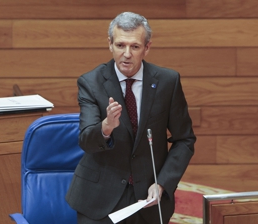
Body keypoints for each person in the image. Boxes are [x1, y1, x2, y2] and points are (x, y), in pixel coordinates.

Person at [65, 12, 196, 224]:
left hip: (148, 198)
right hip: (98, 198)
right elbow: (86, 141)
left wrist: (163, 182)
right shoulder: (91, 83)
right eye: (120, 45)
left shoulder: (167, 82)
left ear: (147, 47)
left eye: (135, 47)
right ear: (110, 44)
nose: (126, 54)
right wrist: (106, 127)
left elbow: (184, 140)